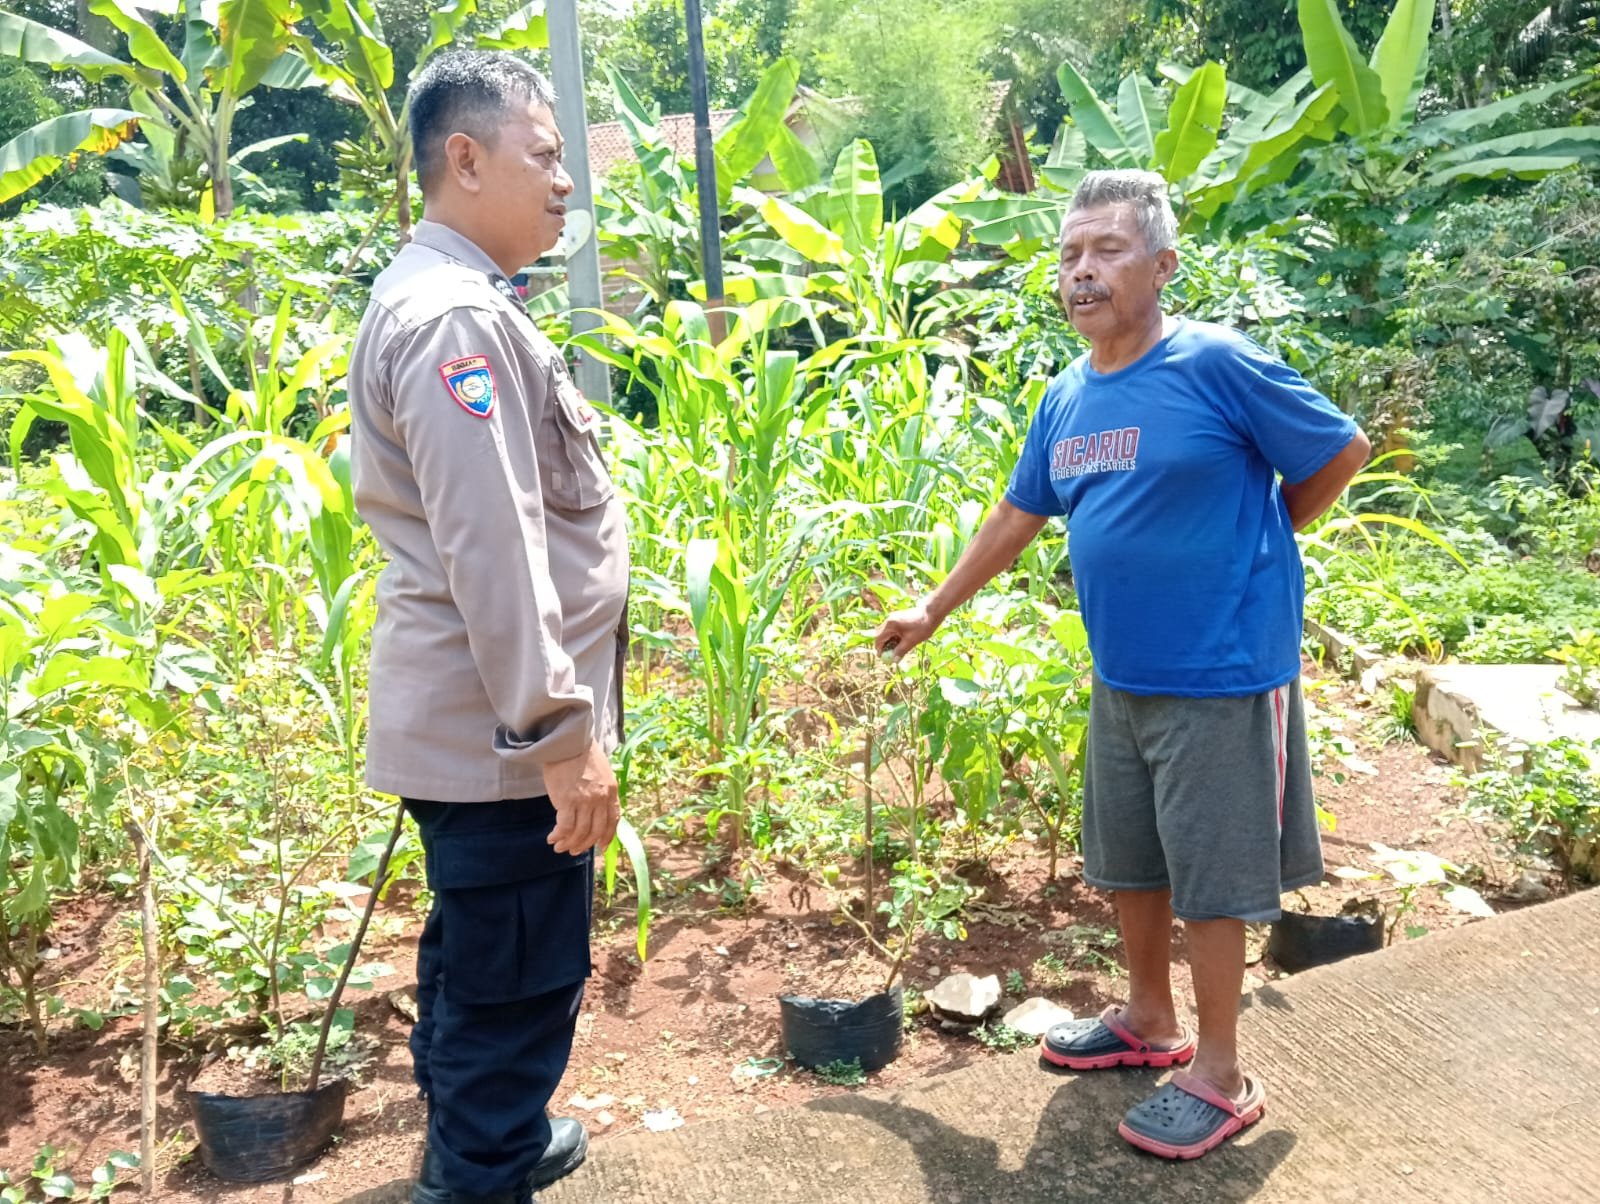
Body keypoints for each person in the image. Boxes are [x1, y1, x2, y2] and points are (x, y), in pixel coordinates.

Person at [875, 169, 1370, 1161]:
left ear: (1161, 264)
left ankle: (1222, 1072)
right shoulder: (1068, 396)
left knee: (1213, 874)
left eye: (1105, 250)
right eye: (1068, 255)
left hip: (1223, 671)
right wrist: (933, 605)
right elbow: (1021, 510)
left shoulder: (1215, 363)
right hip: (1124, 674)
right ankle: (1149, 1019)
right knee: (1131, 861)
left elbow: (1337, 449)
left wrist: (1258, 544)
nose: (1082, 272)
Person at [348, 50, 628, 1204]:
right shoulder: (456, 322)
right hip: (502, 739)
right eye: (544, 155)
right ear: (464, 159)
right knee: (515, 975)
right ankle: (478, 1176)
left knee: (481, 954)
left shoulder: (444, 300)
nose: (564, 181)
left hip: (480, 729)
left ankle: (491, 1145)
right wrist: (561, 738)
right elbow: (497, 550)